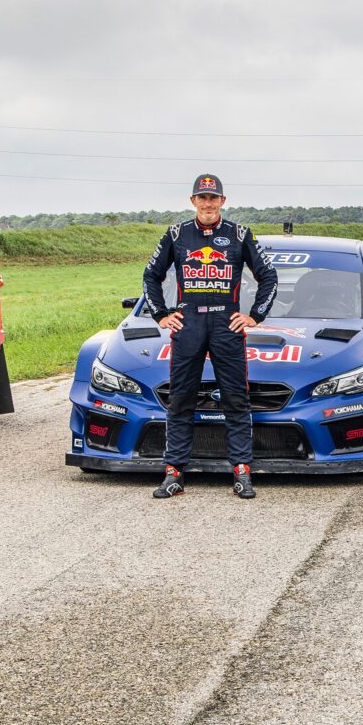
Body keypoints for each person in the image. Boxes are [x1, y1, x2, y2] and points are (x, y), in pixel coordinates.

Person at [142, 173, 279, 500]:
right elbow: (151, 276)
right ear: (193, 201)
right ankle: (174, 472)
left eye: (213, 197)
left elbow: (268, 277)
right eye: (202, 198)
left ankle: (242, 471)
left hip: (226, 323)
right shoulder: (176, 234)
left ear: (222, 201)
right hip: (187, 323)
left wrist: (254, 315)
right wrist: (161, 314)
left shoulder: (240, 234)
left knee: (235, 398)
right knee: (180, 399)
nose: (207, 203)